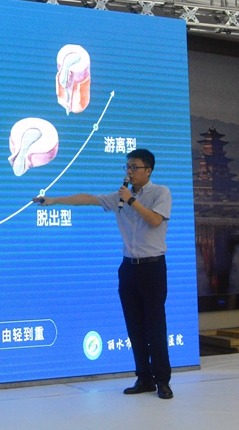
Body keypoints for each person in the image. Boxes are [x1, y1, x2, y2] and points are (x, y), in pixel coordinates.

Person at [32, 148, 174, 400]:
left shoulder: (160, 192)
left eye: (135, 167)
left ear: (148, 171)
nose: (129, 172)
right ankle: (144, 378)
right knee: (134, 326)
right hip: (128, 268)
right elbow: (89, 198)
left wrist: (131, 201)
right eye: (127, 167)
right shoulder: (119, 196)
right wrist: (53, 200)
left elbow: (154, 220)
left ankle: (162, 381)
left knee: (155, 326)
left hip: (152, 268)